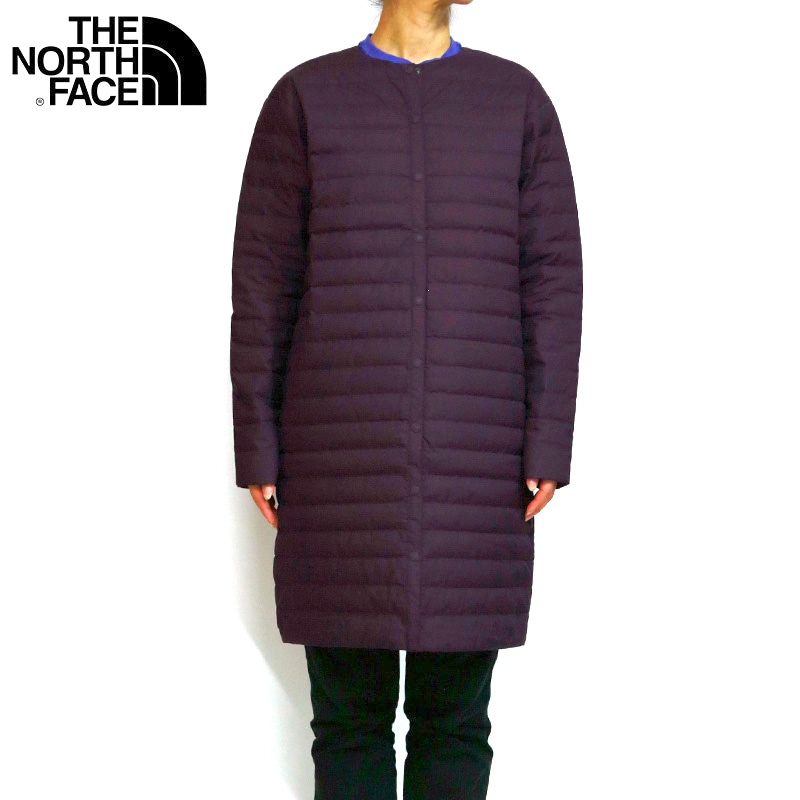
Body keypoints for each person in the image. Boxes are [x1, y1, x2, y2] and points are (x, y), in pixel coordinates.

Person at [229, 1, 583, 797]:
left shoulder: (517, 101)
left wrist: (548, 440)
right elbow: (263, 281)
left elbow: (553, 283)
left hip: (476, 461)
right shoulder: (306, 98)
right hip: (338, 463)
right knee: (348, 726)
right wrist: (259, 444)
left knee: (455, 723)